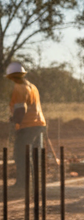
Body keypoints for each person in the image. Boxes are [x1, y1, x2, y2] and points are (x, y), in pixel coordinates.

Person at [6, 61, 48, 194]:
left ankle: (23, 186)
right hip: (39, 124)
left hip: (27, 126)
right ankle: (34, 186)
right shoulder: (32, 86)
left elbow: (21, 110)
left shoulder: (18, 88)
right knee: (34, 155)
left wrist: (13, 121)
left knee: (21, 155)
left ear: (11, 77)